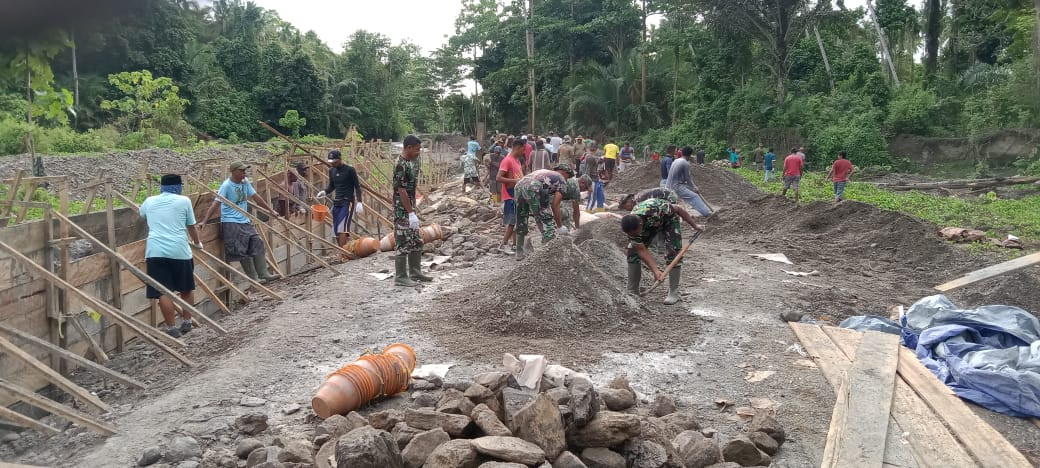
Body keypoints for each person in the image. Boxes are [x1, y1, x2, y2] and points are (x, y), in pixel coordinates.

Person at [140, 174, 203, 338]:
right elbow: (191, 226)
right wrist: (198, 243)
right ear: (178, 186)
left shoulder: (149, 201)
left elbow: (142, 215)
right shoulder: (184, 201)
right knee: (186, 287)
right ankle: (187, 322)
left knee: (163, 291)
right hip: (179, 250)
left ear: (162, 186)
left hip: (155, 251)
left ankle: (171, 328)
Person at [202, 161, 281, 282]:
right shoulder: (226, 186)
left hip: (244, 220)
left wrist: (271, 211)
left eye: (245, 171)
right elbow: (215, 204)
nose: (244, 173)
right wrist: (204, 221)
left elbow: (256, 198)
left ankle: (263, 273)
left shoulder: (245, 183)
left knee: (257, 242)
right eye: (242, 171)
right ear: (233, 172)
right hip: (231, 221)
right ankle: (254, 278)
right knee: (241, 249)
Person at [621, 198, 704, 304]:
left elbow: (679, 209)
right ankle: (632, 291)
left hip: (669, 221)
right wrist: (656, 271)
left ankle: (673, 292)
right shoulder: (631, 225)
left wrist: (695, 226)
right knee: (633, 252)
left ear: (640, 225)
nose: (635, 235)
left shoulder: (658, 210)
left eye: (636, 233)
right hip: (650, 225)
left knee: (673, 252)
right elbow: (641, 250)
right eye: (632, 234)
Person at [391, 135, 433, 287]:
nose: (418, 152)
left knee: (416, 240)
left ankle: (415, 271)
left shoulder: (410, 162)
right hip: (402, 210)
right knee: (403, 241)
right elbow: (401, 191)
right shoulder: (400, 165)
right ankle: (401, 276)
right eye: (417, 149)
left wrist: (413, 211)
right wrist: (410, 213)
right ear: (408, 148)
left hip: (410, 207)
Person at [514, 168, 569, 258]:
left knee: (521, 217)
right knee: (546, 219)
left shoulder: (548, 173)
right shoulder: (562, 181)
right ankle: (549, 255)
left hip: (519, 185)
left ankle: (519, 252)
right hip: (534, 187)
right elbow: (555, 205)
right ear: (565, 174)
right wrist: (559, 226)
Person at [315, 150, 364, 247]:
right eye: (331, 162)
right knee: (335, 228)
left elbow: (357, 186)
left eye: (335, 161)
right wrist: (325, 191)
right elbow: (332, 186)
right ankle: (343, 250)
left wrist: (359, 201)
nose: (333, 163)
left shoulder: (350, 170)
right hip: (337, 202)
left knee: (343, 227)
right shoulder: (332, 170)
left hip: (347, 202)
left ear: (340, 159)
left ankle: (343, 253)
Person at [666, 147, 713, 217]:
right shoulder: (685, 163)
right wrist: (694, 188)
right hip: (676, 186)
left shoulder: (676, 160)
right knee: (694, 196)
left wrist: (691, 187)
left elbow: (682, 179)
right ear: (690, 155)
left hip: (668, 185)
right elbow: (688, 178)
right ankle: (707, 213)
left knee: (672, 202)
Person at [497, 139, 525, 251]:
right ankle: (503, 244)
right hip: (510, 194)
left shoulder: (517, 161)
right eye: (523, 149)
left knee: (517, 221)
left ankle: (514, 244)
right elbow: (498, 178)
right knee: (512, 222)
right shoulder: (507, 160)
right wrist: (516, 181)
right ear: (518, 148)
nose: (524, 152)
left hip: (517, 194)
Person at [554, 163, 590, 230]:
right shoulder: (576, 187)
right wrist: (577, 228)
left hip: (549, 195)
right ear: (582, 182)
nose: (583, 190)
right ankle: (563, 232)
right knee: (565, 214)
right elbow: (576, 212)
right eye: (585, 188)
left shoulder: (572, 180)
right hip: (550, 197)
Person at [584, 148, 604, 212]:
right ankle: (588, 210)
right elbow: (587, 171)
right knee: (592, 197)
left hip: (597, 179)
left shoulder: (594, 157)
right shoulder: (590, 158)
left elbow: (599, 161)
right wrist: (588, 185)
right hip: (592, 179)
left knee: (601, 195)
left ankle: (600, 208)